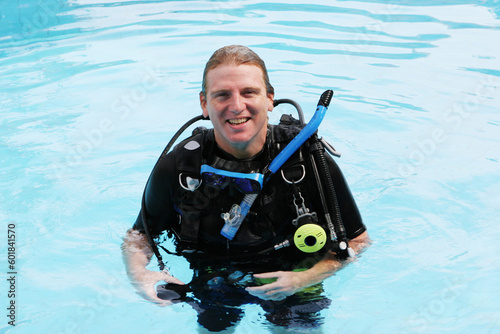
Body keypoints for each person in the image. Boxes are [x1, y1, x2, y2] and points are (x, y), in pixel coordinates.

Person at [122, 45, 370, 330]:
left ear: (269, 100)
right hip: (214, 278)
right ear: (204, 104)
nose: (237, 106)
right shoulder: (180, 167)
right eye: (222, 95)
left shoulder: (308, 161)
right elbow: (140, 236)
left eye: (249, 92)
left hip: (296, 273)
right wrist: (140, 275)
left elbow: (356, 241)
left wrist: (305, 278)